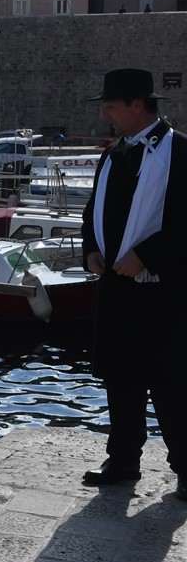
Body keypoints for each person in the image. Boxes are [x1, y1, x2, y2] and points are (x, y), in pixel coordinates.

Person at [81, 68, 187, 500]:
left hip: (165, 290)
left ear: (137, 105)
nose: (104, 114)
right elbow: (93, 209)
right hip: (116, 288)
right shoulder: (112, 155)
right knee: (120, 378)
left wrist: (146, 255)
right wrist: (90, 247)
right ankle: (123, 461)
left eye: (111, 106)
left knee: (172, 384)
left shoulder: (181, 152)